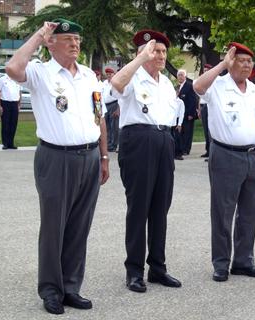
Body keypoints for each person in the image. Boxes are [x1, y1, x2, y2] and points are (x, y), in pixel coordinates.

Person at [5, 18, 110, 314]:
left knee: (80, 226)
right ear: (51, 44)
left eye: (77, 40)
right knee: (54, 227)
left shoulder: (89, 75)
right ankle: (51, 289)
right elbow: (13, 69)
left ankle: (71, 287)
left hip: (89, 156)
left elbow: (98, 116)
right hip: (56, 157)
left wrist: (103, 155)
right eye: (67, 40)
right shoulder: (41, 72)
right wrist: (40, 34)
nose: (75, 45)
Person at [193, 42, 255, 282]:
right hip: (226, 155)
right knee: (223, 212)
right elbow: (197, 86)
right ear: (231, 61)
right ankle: (221, 263)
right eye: (242, 60)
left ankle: (244, 261)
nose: (247, 65)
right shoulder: (217, 85)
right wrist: (222, 65)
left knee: (250, 211)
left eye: (250, 61)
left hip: (254, 155)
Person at [111, 29, 182, 293]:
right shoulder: (133, 75)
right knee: (138, 208)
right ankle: (134, 270)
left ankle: (158, 268)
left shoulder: (165, 82)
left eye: (164, 51)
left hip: (164, 141)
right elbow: (116, 84)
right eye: (155, 51)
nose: (161, 55)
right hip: (138, 141)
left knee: (160, 208)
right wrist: (140, 59)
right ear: (142, 52)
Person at [0, 74, 21, 149]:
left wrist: (19, 104)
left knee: (13, 124)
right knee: (5, 124)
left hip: (15, 103)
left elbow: (19, 92)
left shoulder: (17, 79)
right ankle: (5, 143)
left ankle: (11, 143)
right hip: (5, 103)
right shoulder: (2, 79)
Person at [177, 69, 198, 156]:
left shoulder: (189, 86)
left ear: (185, 76)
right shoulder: (178, 86)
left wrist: (191, 113)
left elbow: (193, 100)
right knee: (181, 132)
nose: (180, 77)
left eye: (182, 75)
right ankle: (181, 148)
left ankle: (186, 149)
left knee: (187, 132)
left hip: (188, 113)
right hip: (180, 114)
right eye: (179, 75)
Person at [103, 67, 120, 152]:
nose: (109, 76)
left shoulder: (115, 83)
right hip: (105, 105)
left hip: (114, 104)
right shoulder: (104, 83)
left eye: (110, 74)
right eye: (107, 74)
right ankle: (108, 143)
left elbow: (120, 96)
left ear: (114, 74)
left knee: (114, 126)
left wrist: (118, 108)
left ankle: (114, 144)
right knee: (107, 126)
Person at [199, 63, 213, 160]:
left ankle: (212, 152)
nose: (205, 72)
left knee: (210, 130)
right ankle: (208, 150)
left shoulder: (212, 81)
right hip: (203, 106)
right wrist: (199, 108)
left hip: (209, 105)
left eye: (207, 70)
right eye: (204, 70)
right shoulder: (202, 80)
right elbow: (199, 97)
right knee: (205, 130)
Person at [173, 94, 185, 160]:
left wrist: (179, 124)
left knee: (177, 138)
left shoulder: (180, 102)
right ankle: (172, 153)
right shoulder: (169, 100)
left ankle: (178, 153)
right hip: (170, 120)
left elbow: (181, 113)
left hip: (177, 120)